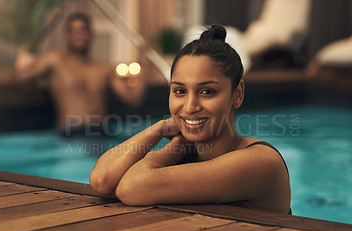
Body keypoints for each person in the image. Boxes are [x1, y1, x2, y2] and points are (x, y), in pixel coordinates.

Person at [90, 25, 291, 214]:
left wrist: (177, 144)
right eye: (180, 91)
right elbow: (102, 180)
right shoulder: (189, 153)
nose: (189, 107)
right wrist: (161, 128)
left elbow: (132, 187)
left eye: (207, 91)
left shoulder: (261, 161)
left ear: (237, 94)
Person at [0, 12, 145, 134]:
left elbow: (132, 98)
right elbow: (21, 76)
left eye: (82, 29)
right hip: (72, 133)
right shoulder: (56, 61)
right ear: (66, 35)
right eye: (72, 30)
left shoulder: (103, 69)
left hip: (101, 132)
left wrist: (143, 62)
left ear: (91, 34)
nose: (77, 34)